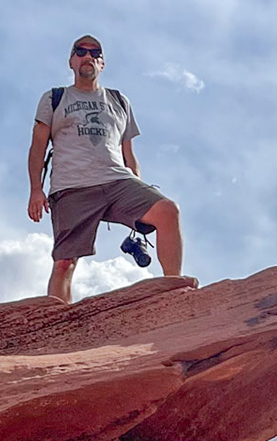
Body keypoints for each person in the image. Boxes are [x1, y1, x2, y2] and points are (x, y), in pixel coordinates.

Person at [26, 34, 184, 304]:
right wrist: (35, 190)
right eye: (81, 52)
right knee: (65, 262)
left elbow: (128, 154)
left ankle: (175, 292)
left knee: (167, 211)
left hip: (117, 180)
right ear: (71, 62)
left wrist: (138, 186)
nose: (88, 56)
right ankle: (57, 324)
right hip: (71, 186)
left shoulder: (119, 101)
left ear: (102, 63)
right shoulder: (55, 98)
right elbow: (38, 145)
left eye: (95, 52)